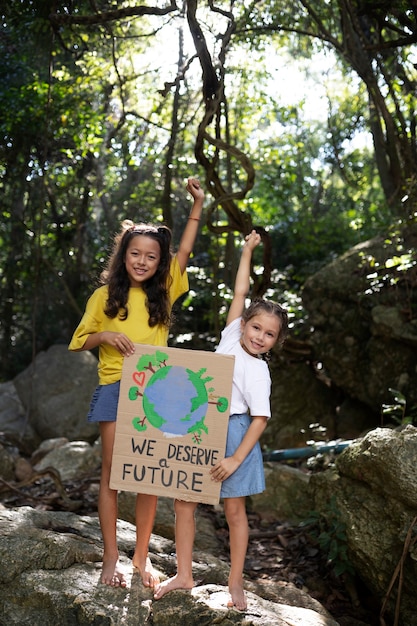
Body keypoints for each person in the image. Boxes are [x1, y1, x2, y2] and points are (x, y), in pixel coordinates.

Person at [68, 177, 204, 589]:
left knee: (151, 478)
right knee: (112, 476)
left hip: (157, 395)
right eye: (135, 254)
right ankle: (111, 556)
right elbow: (78, 341)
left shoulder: (165, 289)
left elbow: (184, 250)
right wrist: (105, 336)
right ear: (123, 255)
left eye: (150, 256)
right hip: (114, 390)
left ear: (158, 261)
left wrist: (197, 204)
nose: (142, 261)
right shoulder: (103, 296)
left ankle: (140, 557)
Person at [154, 230, 289, 610]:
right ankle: (183, 573)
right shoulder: (231, 335)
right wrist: (247, 250)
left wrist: (234, 459)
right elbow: (240, 293)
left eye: (270, 334)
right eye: (257, 327)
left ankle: (235, 585)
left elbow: (260, 419)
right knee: (184, 501)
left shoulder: (259, 371)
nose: (260, 337)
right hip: (200, 425)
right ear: (244, 324)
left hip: (235, 434)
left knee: (234, 512)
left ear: (276, 342)